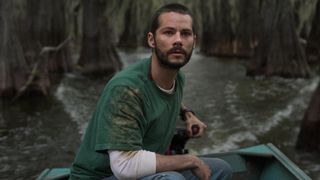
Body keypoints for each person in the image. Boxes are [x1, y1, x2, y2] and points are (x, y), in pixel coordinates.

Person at [69, 3, 232, 180]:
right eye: (168, 32)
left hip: (140, 170)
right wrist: (190, 160)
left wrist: (187, 114)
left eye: (185, 33)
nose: (178, 40)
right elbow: (125, 166)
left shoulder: (177, 78)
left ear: (194, 41)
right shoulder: (126, 89)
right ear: (151, 40)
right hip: (101, 176)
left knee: (221, 169)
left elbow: (162, 95)